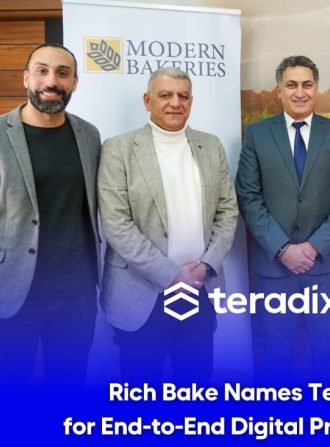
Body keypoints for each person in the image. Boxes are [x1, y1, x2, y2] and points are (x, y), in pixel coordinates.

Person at [0, 44, 101, 386]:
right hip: (8, 297)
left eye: (62, 73)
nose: (51, 81)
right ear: (26, 78)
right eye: (42, 71)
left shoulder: (89, 135)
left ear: (74, 82)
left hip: (77, 297)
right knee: (5, 399)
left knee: (68, 394)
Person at [98, 67, 238, 383]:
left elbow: (228, 211)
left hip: (199, 289)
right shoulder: (118, 149)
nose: (175, 102)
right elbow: (117, 223)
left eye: (183, 96)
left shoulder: (210, 145)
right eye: (165, 95)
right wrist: (172, 275)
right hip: (141, 293)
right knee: (141, 390)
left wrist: (206, 266)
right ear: (147, 100)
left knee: (195, 385)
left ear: (191, 101)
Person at [236, 55, 330, 383]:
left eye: (307, 84)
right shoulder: (257, 135)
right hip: (274, 269)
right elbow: (248, 197)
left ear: (316, 89)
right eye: (291, 85)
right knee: (278, 355)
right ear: (279, 90)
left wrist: (314, 247)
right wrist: (282, 248)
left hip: (325, 268)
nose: (300, 92)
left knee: (325, 352)